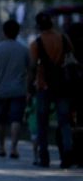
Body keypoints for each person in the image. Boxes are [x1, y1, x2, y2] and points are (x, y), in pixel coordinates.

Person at [29, 11, 75, 168]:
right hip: (63, 84)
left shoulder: (36, 43)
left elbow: (33, 66)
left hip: (44, 85)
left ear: (38, 26)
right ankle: (68, 153)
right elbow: (71, 57)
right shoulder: (63, 38)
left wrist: (30, 86)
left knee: (42, 122)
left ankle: (44, 156)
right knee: (64, 122)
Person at [0, 19, 30, 159]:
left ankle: (1, 146)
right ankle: (14, 148)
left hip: (1, 91)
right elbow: (30, 70)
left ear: (3, 32)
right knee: (16, 120)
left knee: (1, 120)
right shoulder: (24, 49)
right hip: (19, 90)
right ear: (18, 32)